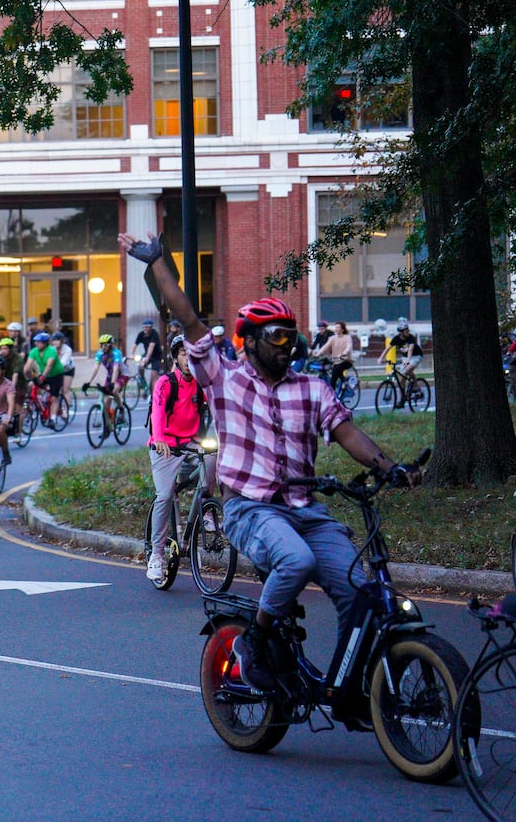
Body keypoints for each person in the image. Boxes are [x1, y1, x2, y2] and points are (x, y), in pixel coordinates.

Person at [121, 231, 418, 694]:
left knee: (361, 592)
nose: (287, 345)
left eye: (290, 337)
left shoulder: (311, 389)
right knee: (295, 562)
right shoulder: (225, 379)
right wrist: (158, 263)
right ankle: (254, 642)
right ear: (250, 341)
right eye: (276, 337)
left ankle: (350, 687)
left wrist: (388, 466)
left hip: (308, 513)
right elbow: (191, 323)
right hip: (250, 509)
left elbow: (347, 432)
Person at [145, 336, 207, 583]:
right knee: (165, 495)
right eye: (183, 353)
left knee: (214, 460)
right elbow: (157, 412)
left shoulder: (201, 384)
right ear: (175, 357)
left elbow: (218, 407)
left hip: (191, 441)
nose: (188, 359)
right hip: (165, 445)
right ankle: (156, 556)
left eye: (192, 354)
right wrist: (159, 437)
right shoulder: (165, 382)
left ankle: (206, 514)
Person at [23, 332, 64, 424]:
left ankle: (53, 419)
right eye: (35, 342)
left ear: (45, 343)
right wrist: (27, 375)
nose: (36, 344)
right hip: (43, 374)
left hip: (56, 374)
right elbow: (27, 366)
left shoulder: (51, 350)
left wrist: (43, 376)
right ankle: (40, 402)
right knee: (32, 385)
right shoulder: (34, 351)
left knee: (54, 398)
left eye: (39, 342)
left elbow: (49, 365)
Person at [311, 320, 355, 389]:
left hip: (346, 360)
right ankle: (333, 396)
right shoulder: (332, 338)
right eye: (336, 327)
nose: (336, 329)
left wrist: (344, 353)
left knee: (337, 368)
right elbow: (326, 346)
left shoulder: (347, 337)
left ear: (342, 329)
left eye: (338, 328)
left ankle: (344, 382)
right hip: (336, 361)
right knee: (333, 379)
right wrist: (318, 353)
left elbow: (348, 347)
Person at [133, 319, 164, 393]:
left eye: (147, 327)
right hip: (147, 354)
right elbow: (135, 344)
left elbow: (151, 346)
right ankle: (143, 383)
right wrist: (131, 354)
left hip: (157, 356)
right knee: (140, 366)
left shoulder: (154, 334)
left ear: (151, 327)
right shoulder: (141, 334)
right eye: (144, 327)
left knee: (153, 377)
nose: (145, 329)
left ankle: (154, 397)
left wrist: (147, 358)